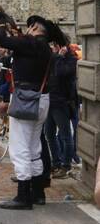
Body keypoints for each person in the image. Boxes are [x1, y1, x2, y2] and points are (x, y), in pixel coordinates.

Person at [0, 13, 65, 210]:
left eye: (29, 28)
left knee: (19, 148)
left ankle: (23, 196)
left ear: (34, 29)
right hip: (40, 99)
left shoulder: (31, 43)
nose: (26, 30)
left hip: (27, 99)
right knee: (34, 148)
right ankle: (37, 192)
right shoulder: (42, 46)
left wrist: (0, 22)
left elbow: (0, 39)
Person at [44, 41, 77, 179]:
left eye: (57, 45)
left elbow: (60, 73)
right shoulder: (54, 57)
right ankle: (56, 162)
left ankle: (66, 165)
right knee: (49, 134)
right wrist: (56, 56)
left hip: (62, 102)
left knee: (65, 135)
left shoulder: (71, 60)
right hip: (50, 101)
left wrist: (59, 57)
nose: (54, 48)